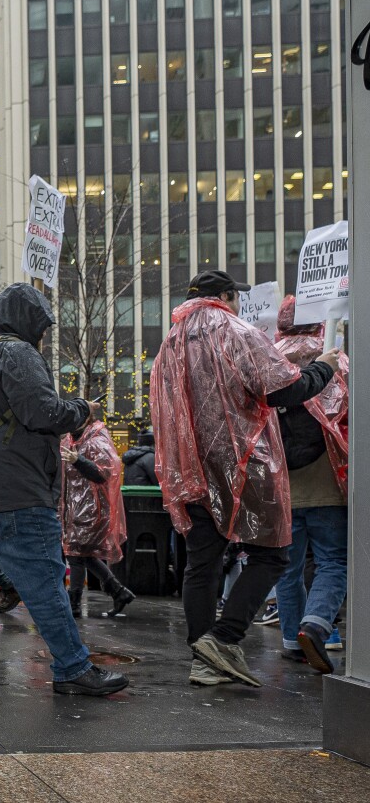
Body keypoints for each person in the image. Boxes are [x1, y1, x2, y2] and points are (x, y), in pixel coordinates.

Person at [0, 283, 127, 696]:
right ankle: (73, 667)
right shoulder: (14, 352)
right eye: (43, 328)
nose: (44, 337)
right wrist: (82, 410)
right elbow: (42, 412)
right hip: (15, 492)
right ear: (28, 321)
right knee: (45, 578)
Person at [150, 271, 339, 687]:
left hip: (192, 471)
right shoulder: (236, 330)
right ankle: (224, 637)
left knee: (202, 563)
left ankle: (204, 659)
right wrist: (323, 368)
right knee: (272, 554)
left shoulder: (169, 344)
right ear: (226, 296)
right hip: (244, 465)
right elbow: (282, 390)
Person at [271, 296, 349, 674]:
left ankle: (291, 638)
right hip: (327, 483)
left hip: (283, 486)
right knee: (334, 560)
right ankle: (316, 624)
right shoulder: (333, 357)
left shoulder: (270, 361)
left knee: (288, 566)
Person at [59, 412, 134, 619]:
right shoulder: (70, 439)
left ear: (86, 420)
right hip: (73, 508)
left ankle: (73, 605)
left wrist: (78, 460)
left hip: (91, 509)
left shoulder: (97, 439)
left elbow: (106, 472)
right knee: (84, 555)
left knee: (75, 554)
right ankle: (119, 592)